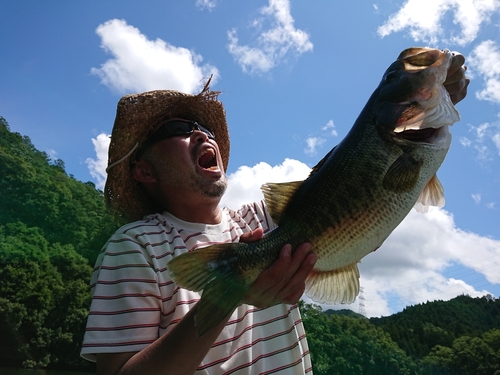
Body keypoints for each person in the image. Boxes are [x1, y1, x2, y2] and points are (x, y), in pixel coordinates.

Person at [81, 53, 469, 375]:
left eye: (203, 126)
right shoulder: (134, 247)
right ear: (144, 171)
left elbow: (345, 179)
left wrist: (435, 98)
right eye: (179, 128)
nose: (201, 134)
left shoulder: (262, 222)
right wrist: (225, 299)